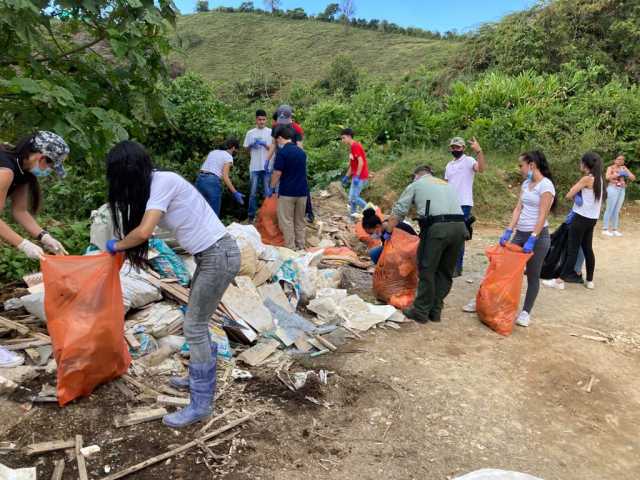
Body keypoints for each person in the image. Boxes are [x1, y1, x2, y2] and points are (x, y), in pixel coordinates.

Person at [104, 141, 240, 428]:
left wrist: (115, 246)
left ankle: (201, 404)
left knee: (194, 325)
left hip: (219, 255)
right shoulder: (157, 185)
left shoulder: (162, 181)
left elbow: (143, 232)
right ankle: (197, 379)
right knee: (197, 320)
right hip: (212, 255)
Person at [0, 131, 70, 368]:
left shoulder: (22, 172)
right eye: (50, 165)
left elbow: (19, 211)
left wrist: (43, 236)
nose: (48, 171)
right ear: (41, 157)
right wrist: (23, 244)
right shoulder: (6, 170)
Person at [463, 151, 556, 327]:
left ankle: (526, 312)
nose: (519, 169)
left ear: (532, 165)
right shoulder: (527, 183)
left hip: (538, 236)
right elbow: (518, 209)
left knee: (533, 275)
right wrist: (508, 230)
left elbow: (543, 214)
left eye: (521, 165)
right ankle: (485, 301)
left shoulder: (546, 186)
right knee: (501, 269)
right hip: (520, 234)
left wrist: (533, 237)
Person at [386, 165, 467, 323]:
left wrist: (388, 231)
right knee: (445, 271)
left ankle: (421, 311)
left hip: (437, 229)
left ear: (416, 175)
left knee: (427, 269)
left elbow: (399, 210)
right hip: (460, 228)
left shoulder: (416, 185)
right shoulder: (446, 184)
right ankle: (435, 311)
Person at [543, 152, 604, 290]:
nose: (580, 164)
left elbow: (569, 194)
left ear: (586, 164)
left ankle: (559, 281)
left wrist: (576, 195)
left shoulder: (587, 179)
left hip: (580, 218)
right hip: (592, 219)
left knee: (572, 250)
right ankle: (589, 281)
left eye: (581, 162)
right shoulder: (600, 178)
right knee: (588, 249)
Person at [444, 136, 486, 277]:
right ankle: (448, 264)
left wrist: (479, 151)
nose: (455, 149)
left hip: (464, 204)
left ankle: (457, 267)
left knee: (459, 236)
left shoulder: (469, 161)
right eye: (453, 147)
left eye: (458, 147)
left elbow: (481, 169)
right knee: (448, 235)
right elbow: (446, 184)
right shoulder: (449, 165)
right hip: (449, 203)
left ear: (463, 148)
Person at [266, 105, 315, 222]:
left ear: (290, 117)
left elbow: (300, 147)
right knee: (279, 184)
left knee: (301, 184)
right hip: (281, 158)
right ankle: (282, 213)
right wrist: (267, 160)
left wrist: (301, 160)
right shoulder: (275, 127)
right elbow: (273, 144)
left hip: (294, 159)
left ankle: (309, 212)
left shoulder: (296, 129)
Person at [270, 125, 309, 250]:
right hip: (302, 192)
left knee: (286, 221)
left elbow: (277, 173)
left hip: (287, 192)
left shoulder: (282, 153)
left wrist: (272, 187)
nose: (277, 142)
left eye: (277, 140)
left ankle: (291, 248)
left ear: (280, 138)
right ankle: (301, 246)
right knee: (299, 221)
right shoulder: (301, 152)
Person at [195, 138, 243, 217]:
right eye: (236, 150)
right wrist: (235, 192)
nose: (236, 152)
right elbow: (225, 176)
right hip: (212, 182)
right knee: (213, 214)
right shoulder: (228, 157)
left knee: (200, 211)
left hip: (200, 179)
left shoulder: (213, 152)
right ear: (233, 148)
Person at [243, 109, 273, 222]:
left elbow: (273, 149)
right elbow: (245, 149)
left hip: (266, 166)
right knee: (252, 192)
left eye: (263, 119)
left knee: (267, 192)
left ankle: (267, 215)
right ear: (256, 119)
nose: (261, 122)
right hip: (254, 166)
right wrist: (251, 145)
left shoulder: (270, 132)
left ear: (266, 120)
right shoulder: (250, 133)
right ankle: (251, 216)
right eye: (259, 119)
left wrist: (265, 145)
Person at [602, 154, 635, 237]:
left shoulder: (624, 168)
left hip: (621, 190)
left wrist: (627, 174)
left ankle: (614, 229)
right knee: (609, 208)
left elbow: (633, 178)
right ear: (615, 160)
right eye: (619, 159)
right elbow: (607, 177)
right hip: (612, 188)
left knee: (617, 210)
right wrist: (617, 174)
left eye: (622, 159)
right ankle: (605, 229)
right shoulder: (610, 168)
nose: (621, 161)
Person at [340, 128, 370, 219]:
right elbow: (352, 165)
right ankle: (352, 218)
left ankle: (371, 210)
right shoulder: (351, 147)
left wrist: (357, 176)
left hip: (360, 176)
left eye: (343, 138)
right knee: (352, 199)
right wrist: (346, 176)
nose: (342, 140)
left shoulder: (355, 146)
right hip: (356, 176)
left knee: (354, 198)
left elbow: (361, 163)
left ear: (349, 137)